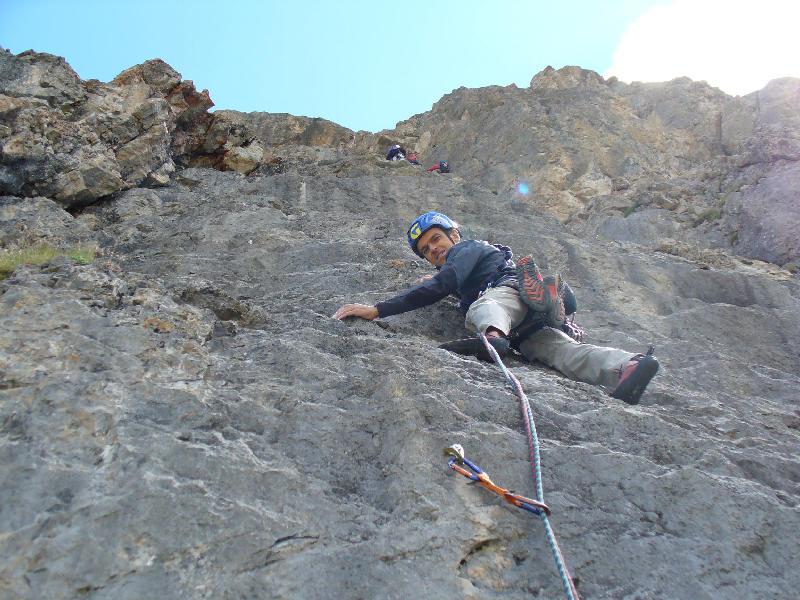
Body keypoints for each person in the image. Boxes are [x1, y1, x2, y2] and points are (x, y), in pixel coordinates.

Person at [333, 211, 659, 404]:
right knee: (561, 353)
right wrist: (440, 280)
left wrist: (376, 310)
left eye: (436, 239)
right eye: (426, 250)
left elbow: (442, 285)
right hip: (526, 324)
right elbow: (448, 283)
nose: (433, 249)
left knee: (482, 306)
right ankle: (627, 366)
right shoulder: (469, 260)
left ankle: (492, 334)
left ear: (454, 234)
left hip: (507, 293)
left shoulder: (466, 249)